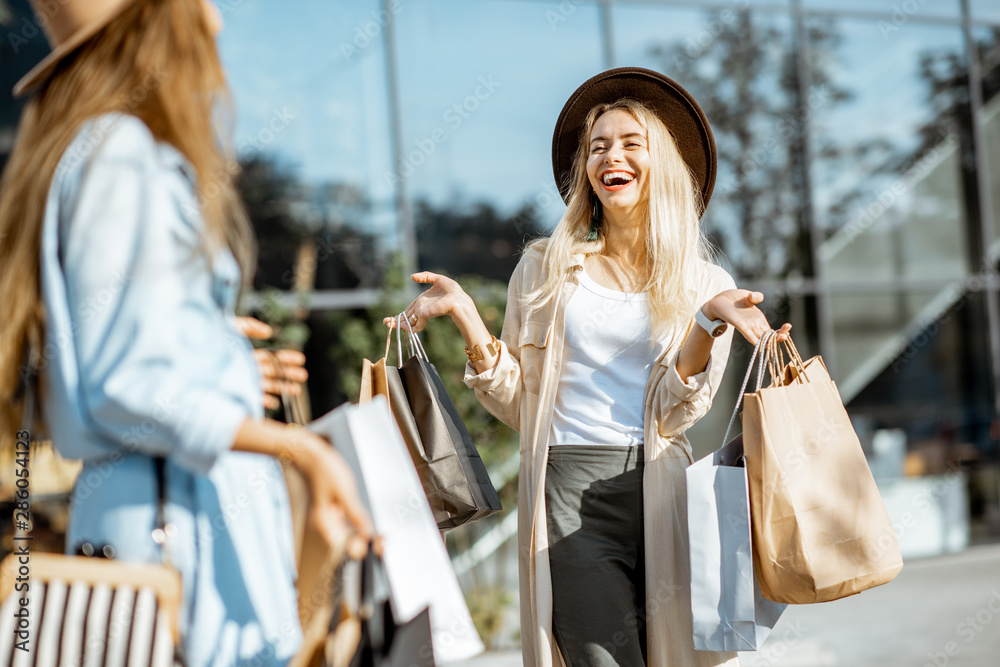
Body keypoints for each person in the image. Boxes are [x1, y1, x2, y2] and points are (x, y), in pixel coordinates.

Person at [0, 1, 371, 665]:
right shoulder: (123, 155)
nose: (216, 20)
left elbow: (86, 369)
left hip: (151, 523)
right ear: (151, 22)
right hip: (178, 538)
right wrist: (303, 450)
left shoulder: (90, 150)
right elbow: (125, 384)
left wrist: (213, 353)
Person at [391, 68, 791, 667]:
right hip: (567, 490)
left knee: (673, 656)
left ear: (664, 165)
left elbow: (677, 412)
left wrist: (707, 323)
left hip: (662, 488)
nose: (611, 155)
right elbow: (518, 404)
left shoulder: (707, 284)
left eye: (631, 143)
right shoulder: (545, 269)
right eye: (598, 146)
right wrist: (468, 318)